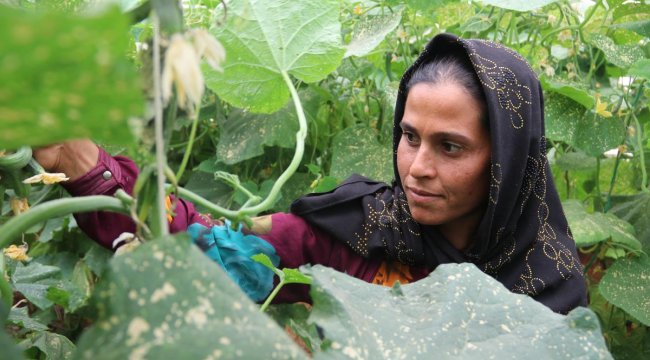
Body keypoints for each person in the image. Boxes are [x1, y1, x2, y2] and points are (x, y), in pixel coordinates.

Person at [34, 33, 587, 314]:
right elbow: (206, 246)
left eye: (450, 147)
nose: (418, 168)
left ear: (507, 164)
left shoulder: (550, 295)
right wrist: (82, 164)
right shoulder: (362, 231)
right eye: (409, 136)